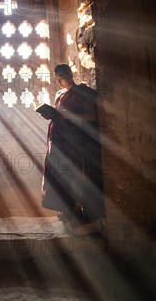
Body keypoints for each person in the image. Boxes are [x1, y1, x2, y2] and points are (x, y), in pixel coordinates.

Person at [39, 63, 104, 235]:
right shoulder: (60, 95)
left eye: (62, 77)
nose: (59, 81)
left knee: (75, 176)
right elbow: (59, 115)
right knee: (59, 175)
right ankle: (66, 209)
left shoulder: (82, 92)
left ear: (69, 74)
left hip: (75, 142)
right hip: (58, 140)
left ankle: (79, 211)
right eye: (57, 78)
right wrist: (51, 114)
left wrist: (68, 116)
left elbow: (91, 116)